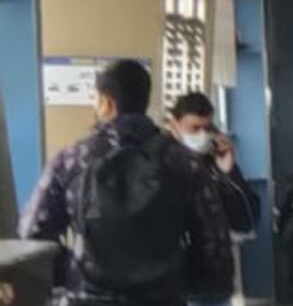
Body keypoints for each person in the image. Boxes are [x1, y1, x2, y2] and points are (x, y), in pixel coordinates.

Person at [20, 60, 233, 306]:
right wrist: (187, 284)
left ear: (106, 103)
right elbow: (214, 244)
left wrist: (72, 275)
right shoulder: (184, 162)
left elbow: (32, 235)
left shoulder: (71, 160)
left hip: (87, 298)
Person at [169, 92, 260, 238]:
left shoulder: (213, 162)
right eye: (195, 128)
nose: (203, 135)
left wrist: (227, 174)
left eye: (207, 128)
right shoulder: (163, 164)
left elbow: (247, 220)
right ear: (175, 126)